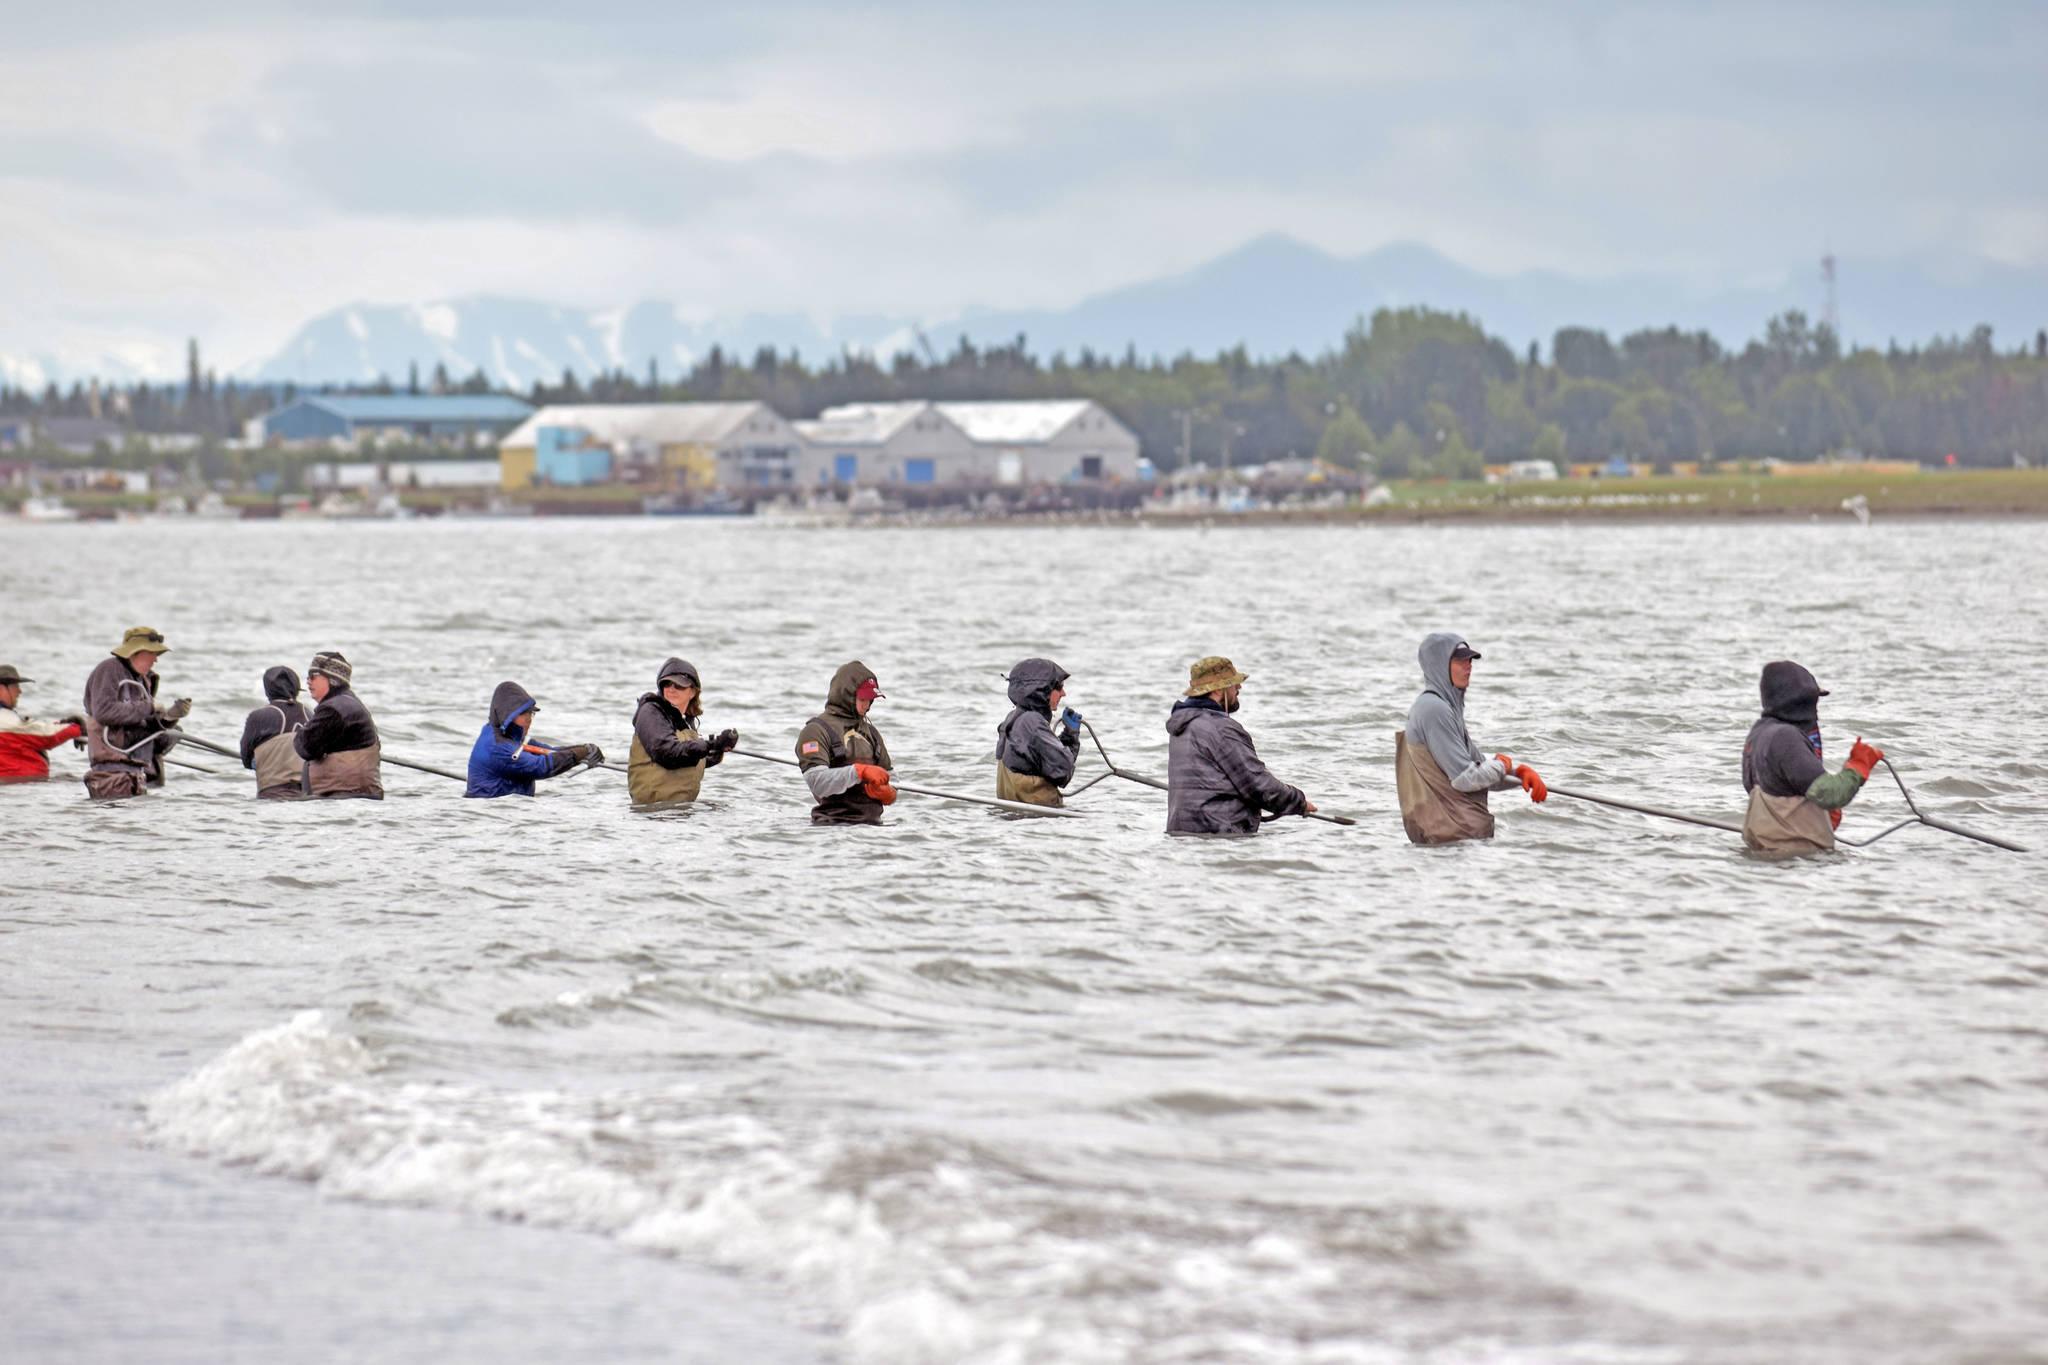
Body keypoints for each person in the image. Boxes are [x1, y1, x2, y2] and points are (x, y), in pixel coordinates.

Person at [1395, 633, 1545, 845]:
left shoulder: (1446, 708)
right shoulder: (1434, 709)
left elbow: (1479, 770)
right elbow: (1465, 779)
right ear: (1438, 664)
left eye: (1469, 660)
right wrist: (1501, 765)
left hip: (1455, 837)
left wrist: (1519, 775)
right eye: (1459, 660)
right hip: (1450, 842)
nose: (1468, 666)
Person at [1741, 660, 1884, 856]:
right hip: (1795, 860)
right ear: (1801, 702)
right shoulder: (1786, 737)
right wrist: (1860, 763)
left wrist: (1819, 813)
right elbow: (1833, 794)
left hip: (1762, 852)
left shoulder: (1758, 734)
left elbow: (1772, 791)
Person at [1165, 655, 1315, 834]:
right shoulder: (1220, 728)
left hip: (1183, 834)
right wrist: (1298, 802)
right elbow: (1257, 784)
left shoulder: (1183, 725)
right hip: (1219, 835)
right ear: (1219, 690)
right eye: (1233, 683)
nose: (1239, 687)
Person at [82, 626, 189, 799]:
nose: (156, 660)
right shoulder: (109, 669)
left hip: (136, 775)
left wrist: (169, 718)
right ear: (136, 652)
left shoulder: (142, 679)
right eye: (152, 653)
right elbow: (104, 712)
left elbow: (141, 728)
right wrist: (150, 707)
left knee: (176, 733)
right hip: (111, 776)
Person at [796, 661, 895, 826]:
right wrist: (859, 772)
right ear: (847, 694)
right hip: (831, 827)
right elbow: (816, 781)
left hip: (875, 830)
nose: (868, 705)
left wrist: (890, 793)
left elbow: (892, 776)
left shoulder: (872, 734)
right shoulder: (815, 730)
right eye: (863, 698)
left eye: (871, 699)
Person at [466, 681, 605, 798]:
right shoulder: (497, 746)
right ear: (508, 714)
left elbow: (551, 752)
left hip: (512, 813)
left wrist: (586, 749)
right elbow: (542, 766)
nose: (529, 720)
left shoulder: (513, 739)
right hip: (493, 816)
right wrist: (579, 753)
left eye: (531, 714)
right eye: (525, 715)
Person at [627, 658, 736, 805]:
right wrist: (709, 745)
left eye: (679, 685)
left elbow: (687, 759)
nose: (672, 688)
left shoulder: (686, 722)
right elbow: (667, 752)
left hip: (680, 811)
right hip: (652, 815)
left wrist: (717, 750)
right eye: (667, 684)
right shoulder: (650, 712)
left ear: (692, 692)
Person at [294, 651, 382, 799]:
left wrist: (299, 733)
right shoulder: (350, 701)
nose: (308, 681)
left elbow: (306, 748)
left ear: (332, 680)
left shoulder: (333, 709)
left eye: (314, 676)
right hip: (363, 794)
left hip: (342, 797)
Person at [994, 657, 1080, 807]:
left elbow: (1048, 763)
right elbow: (1063, 772)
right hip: (1039, 818)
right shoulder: (1032, 722)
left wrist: (1067, 735)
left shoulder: (1012, 718)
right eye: (1059, 687)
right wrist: (1071, 736)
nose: (1063, 693)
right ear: (1042, 690)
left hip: (1013, 817)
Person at [0, 664, 86, 783]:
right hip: (22, 784)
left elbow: (31, 731)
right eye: (15, 686)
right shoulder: (6, 719)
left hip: (14, 784)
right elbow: (47, 736)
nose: (19, 691)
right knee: (77, 782)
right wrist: (77, 728)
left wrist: (63, 725)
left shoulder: (8, 721)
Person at [238, 666, 314, 800]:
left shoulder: (258, 716)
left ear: (268, 690)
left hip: (272, 795)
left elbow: (246, 760)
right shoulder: (310, 714)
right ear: (297, 688)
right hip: (307, 795)